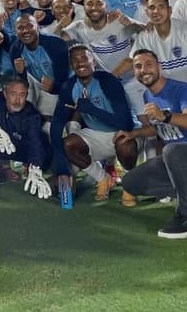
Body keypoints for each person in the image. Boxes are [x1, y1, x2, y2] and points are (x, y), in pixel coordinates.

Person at [120, 49, 187, 239]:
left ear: (159, 67)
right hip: (178, 158)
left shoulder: (181, 89)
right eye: (138, 66)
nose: (143, 70)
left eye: (148, 64)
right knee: (130, 181)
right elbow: (158, 129)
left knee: (171, 149)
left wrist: (165, 115)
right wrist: (134, 133)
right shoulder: (147, 95)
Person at [50, 45, 137, 203]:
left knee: (125, 142)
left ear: (93, 62)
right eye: (75, 60)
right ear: (71, 65)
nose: (80, 63)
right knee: (68, 144)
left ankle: (129, 184)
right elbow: (56, 124)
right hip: (96, 134)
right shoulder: (69, 86)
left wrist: (91, 109)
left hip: (122, 132)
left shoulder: (108, 81)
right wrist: (61, 165)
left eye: (84, 58)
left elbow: (126, 122)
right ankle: (103, 179)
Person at [63, 0, 144, 107]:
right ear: (84, 7)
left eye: (99, 3)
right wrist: (60, 25)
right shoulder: (78, 27)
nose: (94, 7)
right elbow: (54, 40)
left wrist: (133, 24)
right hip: (108, 85)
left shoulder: (120, 21)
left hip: (135, 80)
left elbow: (150, 31)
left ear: (106, 6)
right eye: (89, 4)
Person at [10, 13, 71, 118]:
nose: (25, 31)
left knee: (49, 120)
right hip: (42, 86)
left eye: (30, 26)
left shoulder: (56, 45)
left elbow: (65, 79)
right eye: (20, 28)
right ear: (16, 32)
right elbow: (23, 82)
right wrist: (21, 73)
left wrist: (53, 88)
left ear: (38, 26)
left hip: (66, 87)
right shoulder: (15, 50)